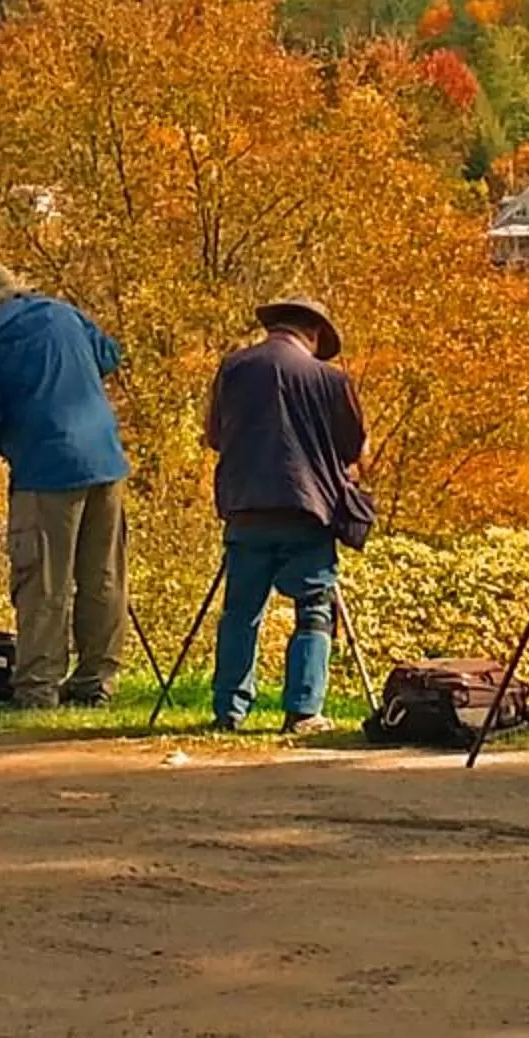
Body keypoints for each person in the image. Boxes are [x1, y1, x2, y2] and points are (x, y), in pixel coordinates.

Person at [0, 266, 128, 710]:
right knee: (103, 577)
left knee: (43, 581)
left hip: (44, 470)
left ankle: (38, 686)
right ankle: (96, 682)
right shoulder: (66, 314)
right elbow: (110, 355)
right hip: (106, 460)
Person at [202, 296, 369, 735]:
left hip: (246, 506)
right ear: (312, 335)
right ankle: (303, 710)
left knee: (240, 611)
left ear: (274, 327)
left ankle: (228, 711)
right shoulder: (331, 381)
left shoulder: (233, 369)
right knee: (314, 609)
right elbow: (353, 450)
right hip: (308, 511)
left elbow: (214, 436)